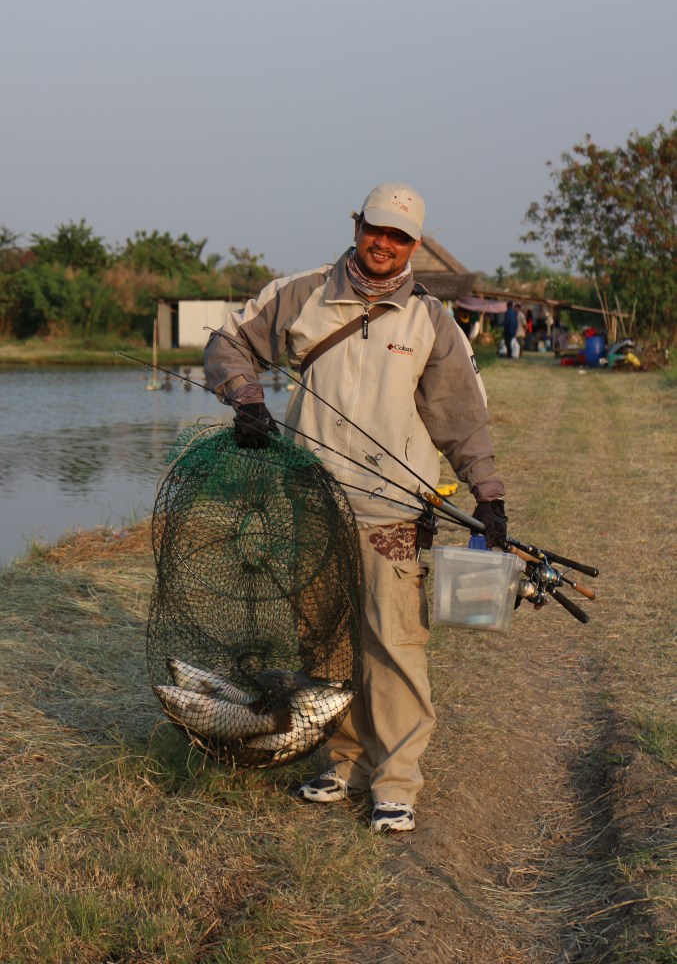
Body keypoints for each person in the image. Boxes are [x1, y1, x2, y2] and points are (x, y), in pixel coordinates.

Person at [204, 182, 508, 833]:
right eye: (376, 229)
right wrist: (247, 397)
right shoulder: (300, 293)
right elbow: (226, 343)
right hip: (309, 504)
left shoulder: (431, 320)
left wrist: (488, 494)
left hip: (392, 515)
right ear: (356, 224)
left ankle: (395, 780)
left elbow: (461, 419)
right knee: (326, 643)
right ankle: (341, 761)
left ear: (415, 246)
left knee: (393, 645)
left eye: (399, 236)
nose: (384, 243)